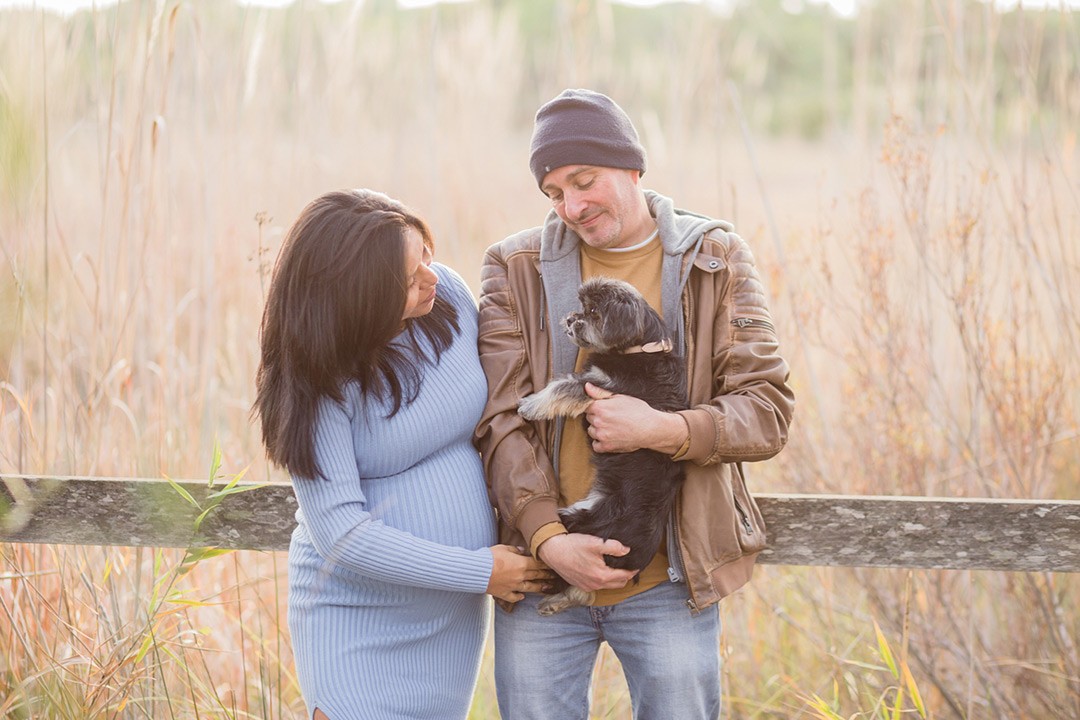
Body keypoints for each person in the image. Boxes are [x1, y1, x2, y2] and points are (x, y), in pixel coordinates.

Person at [475, 89, 796, 719]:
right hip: (546, 567)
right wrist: (546, 538)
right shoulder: (513, 266)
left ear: (632, 167)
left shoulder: (716, 257)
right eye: (554, 193)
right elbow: (501, 419)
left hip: (670, 577)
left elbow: (767, 409)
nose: (571, 206)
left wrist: (663, 428)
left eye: (584, 181)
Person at [252, 189, 552, 720]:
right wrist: (478, 571)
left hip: (448, 625)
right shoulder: (317, 382)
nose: (432, 279)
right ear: (356, 299)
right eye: (409, 280)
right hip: (357, 623)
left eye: (426, 259)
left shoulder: (450, 301)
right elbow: (341, 533)